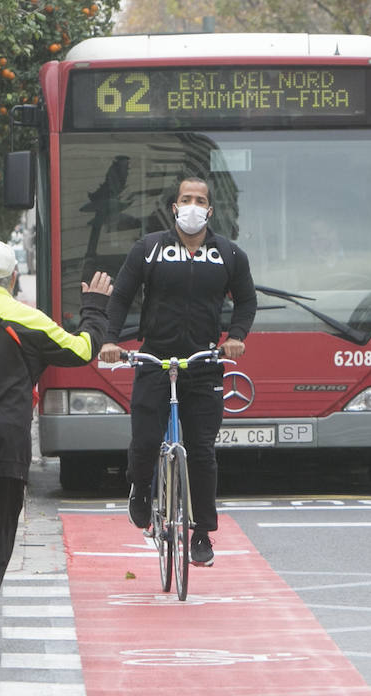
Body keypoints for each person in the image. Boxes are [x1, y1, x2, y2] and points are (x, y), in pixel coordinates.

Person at [0, 240, 113, 658]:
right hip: (5, 448)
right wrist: (94, 307)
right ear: (14, 280)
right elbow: (84, 349)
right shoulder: (29, 320)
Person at [98, 176, 258, 567]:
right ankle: (139, 490)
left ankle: (201, 533)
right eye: (185, 198)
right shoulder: (149, 249)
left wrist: (236, 336)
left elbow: (247, 302)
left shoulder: (229, 255)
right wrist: (110, 340)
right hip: (155, 359)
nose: (192, 205)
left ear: (210, 210)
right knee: (146, 438)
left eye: (199, 200)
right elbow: (121, 296)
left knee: (202, 450)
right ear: (174, 207)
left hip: (204, 364)